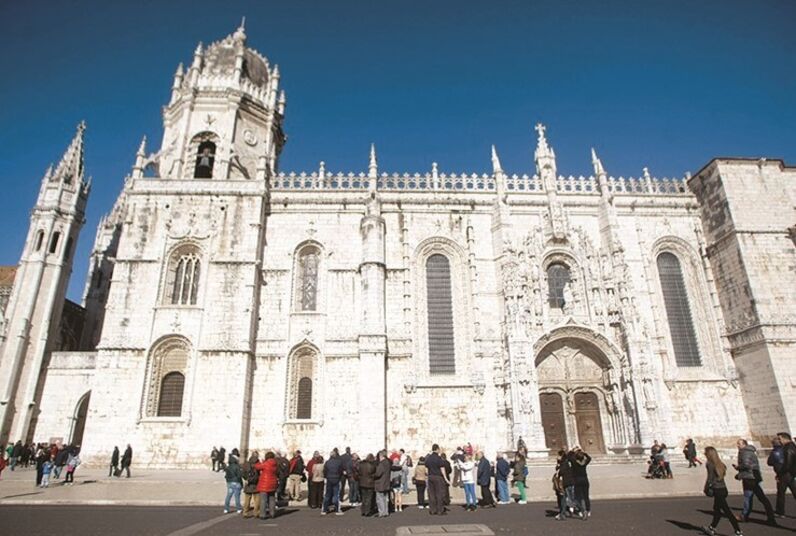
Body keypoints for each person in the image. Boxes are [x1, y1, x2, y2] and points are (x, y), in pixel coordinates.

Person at [702, 446, 742, 536]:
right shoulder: (720, 464)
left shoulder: (709, 464)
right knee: (717, 510)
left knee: (727, 512)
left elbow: (710, 478)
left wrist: (706, 488)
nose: (704, 454)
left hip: (717, 490)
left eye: (705, 452)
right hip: (723, 489)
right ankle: (712, 528)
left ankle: (738, 531)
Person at [733, 439, 776, 525]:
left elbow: (746, 464)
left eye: (739, 444)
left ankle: (744, 516)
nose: (737, 445)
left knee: (749, 497)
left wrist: (738, 467)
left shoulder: (745, 452)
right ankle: (770, 516)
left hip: (749, 478)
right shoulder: (749, 451)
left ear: (744, 444)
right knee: (759, 497)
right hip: (753, 477)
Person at [775, 432, 796, 517]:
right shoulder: (792, 446)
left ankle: (780, 512)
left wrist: (779, 474)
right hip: (791, 474)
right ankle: (780, 511)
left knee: (781, 493)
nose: (779, 441)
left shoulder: (788, 448)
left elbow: (787, 464)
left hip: (786, 474)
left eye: (780, 439)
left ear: (785, 438)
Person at [425, 444, 448, 516]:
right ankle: (440, 510)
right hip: (438, 477)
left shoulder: (428, 458)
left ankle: (432, 510)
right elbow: (442, 468)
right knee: (439, 494)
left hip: (430, 476)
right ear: (437, 449)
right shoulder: (439, 458)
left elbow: (426, 469)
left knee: (431, 494)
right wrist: (445, 478)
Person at [255, 451, 279, 520]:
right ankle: (272, 513)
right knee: (272, 499)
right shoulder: (275, 464)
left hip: (264, 484)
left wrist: (259, 462)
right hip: (273, 483)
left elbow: (257, 467)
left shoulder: (266, 463)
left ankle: (263, 514)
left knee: (263, 500)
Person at [322, 448, 344, 515]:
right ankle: (337, 510)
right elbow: (341, 471)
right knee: (336, 495)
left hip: (329, 479)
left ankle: (324, 510)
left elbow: (324, 471)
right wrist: (339, 477)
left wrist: (327, 477)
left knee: (327, 495)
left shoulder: (327, 462)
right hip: (336, 479)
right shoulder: (339, 462)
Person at [572, 446, 592, 519]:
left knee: (578, 497)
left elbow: (570, 457)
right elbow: (589, 458)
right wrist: (584, 453)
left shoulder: (575, 463)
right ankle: (588, 509)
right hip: (585, 480)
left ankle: (581, 510)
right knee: (586, 496)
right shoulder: (584, 463)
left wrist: (573, 451)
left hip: (577, 481)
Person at [242, 451, 260, 519]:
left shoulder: (246, 464)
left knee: (247, 499)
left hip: (248, 484)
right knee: (257, 499)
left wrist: (246, 479)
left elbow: (243, 473)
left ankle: (245, 512)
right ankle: (256, 512)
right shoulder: (258, 464)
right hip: (256, 484)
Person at [374, 449, 392, 517]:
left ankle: (381, 512)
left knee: (379, 498)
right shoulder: (388, 463)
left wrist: (373, 475)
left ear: (381, 456)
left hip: (380, 483)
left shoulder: (381, 464)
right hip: (386, 483)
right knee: (385, 498)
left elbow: (378, 474)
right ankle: (385, 511)